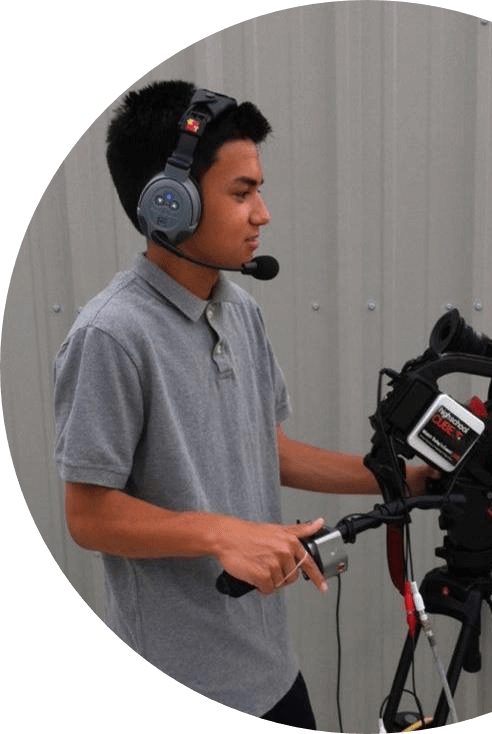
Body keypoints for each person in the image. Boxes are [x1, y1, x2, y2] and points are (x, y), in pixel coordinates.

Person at [53, 81, 437, 724]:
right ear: (168, 203)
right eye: (242, 192)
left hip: (271, 670)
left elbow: (268, 449)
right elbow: (87, 515)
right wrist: (220, 533)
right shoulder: (110, 336)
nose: (263, 213)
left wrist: (403, 478)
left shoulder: (239, 310)